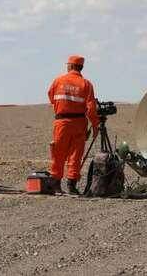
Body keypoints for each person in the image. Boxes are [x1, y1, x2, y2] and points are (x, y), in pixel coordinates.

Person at [47, 55, 99, 195]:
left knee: (58, 153)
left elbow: (51, 96)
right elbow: (91, 108)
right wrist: (95, 126)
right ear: (81, 67)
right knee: (76, 155)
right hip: (79, 124)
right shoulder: (86, 84)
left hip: (61, 122)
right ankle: (72, 185)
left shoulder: (58, 81)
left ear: (70, 66)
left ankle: (56, 184)